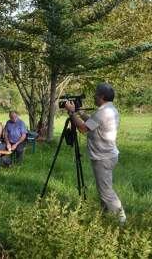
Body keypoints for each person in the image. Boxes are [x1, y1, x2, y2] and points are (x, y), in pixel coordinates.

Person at [65, 83, 126, 223]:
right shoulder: (110, 109)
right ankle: (107, 216)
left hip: (103, 157)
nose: (94, 96)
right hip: (108, 154)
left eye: (96, 94)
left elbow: (83, 129)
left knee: (106, 192)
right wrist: (80, 112)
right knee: (104, 189)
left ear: (102, 97)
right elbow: (93, 123)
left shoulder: (102, 112)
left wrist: (71, 112)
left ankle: (121, 220)